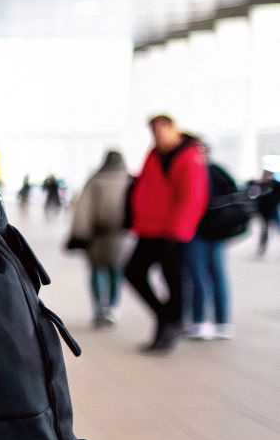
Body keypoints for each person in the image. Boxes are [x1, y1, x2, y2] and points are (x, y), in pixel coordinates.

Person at [124, 115, 208, 352]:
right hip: (149, 228)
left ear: (173, 129)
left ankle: (170, 326)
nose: (157, 135)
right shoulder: (154, 153)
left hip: (172, 231)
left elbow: (193, 196)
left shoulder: (190, 155)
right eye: (153, 131)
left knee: (174, 281)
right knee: (133, 271)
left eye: (161, 130)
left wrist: (179, 230)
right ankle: (166, 317)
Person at [68, 151, 130, 327]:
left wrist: (80, 233)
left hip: (97, 234)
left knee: (97, 270)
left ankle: (99, 308)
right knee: (115, 271)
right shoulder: (128, 179)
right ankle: (113, 307)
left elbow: (84, 210)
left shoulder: (95, 180)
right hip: (120, 234)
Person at [185, 153, 244, 339]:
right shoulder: (218, 170)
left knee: (198, 275)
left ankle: (200, 320)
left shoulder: (193, 172)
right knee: (217, 275)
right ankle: (222, 322)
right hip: (218, 230)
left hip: (198, 230)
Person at [253, 170, 279, 257]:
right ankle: (262, 248)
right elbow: (256, 198)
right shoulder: (260, 185)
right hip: (264, 211)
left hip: (273, 210)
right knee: (264, 230)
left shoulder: (276, 185)